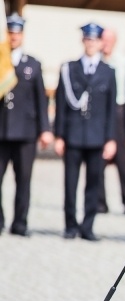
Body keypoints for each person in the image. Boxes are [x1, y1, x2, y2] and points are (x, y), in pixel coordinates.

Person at [54, 22, 117, 241]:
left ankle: (88, 226)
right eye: (88, 39)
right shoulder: (69, 68)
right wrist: (59, 135)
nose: (91, 44)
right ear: (83, 41)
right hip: (73, 135)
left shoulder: (108, 72)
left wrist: (110, 139)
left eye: (95, 40)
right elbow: (61, 103)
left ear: (101, 43)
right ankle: (70, 225)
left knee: (94, 183)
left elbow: (111, 109)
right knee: (70, 182)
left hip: (97, 137)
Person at [0, 13, 52, 237]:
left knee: (23, 181)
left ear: (22, 35)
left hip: (25, 133)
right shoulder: (1, 61)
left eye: (17, 33)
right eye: (10, 32)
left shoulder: (33, 64)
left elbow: (41, 99)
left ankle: (20, 223)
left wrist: (45, 129)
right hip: (1, 131)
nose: (13, 37)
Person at [98, 27, 125, 217]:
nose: (105, 43)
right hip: (99, 113)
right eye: (102, 39)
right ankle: (99, 201)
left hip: (120, 110)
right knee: (98, 160)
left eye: (109, 40)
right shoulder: (94, 61)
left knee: (123, 161)